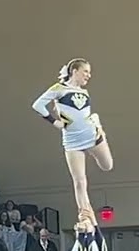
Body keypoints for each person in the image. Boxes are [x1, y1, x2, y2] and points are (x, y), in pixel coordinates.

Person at [31, 59, 113, 222]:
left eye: (89, 73)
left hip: (92, 135)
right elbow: (37, 105)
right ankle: (85, 213)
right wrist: (55, 122)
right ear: (75, 71)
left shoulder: (85, 92)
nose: (88, 76)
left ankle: (98, 127)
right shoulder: (59, 89)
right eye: (86, 72)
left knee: (107, 166)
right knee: (79, 180)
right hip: (73, 141)